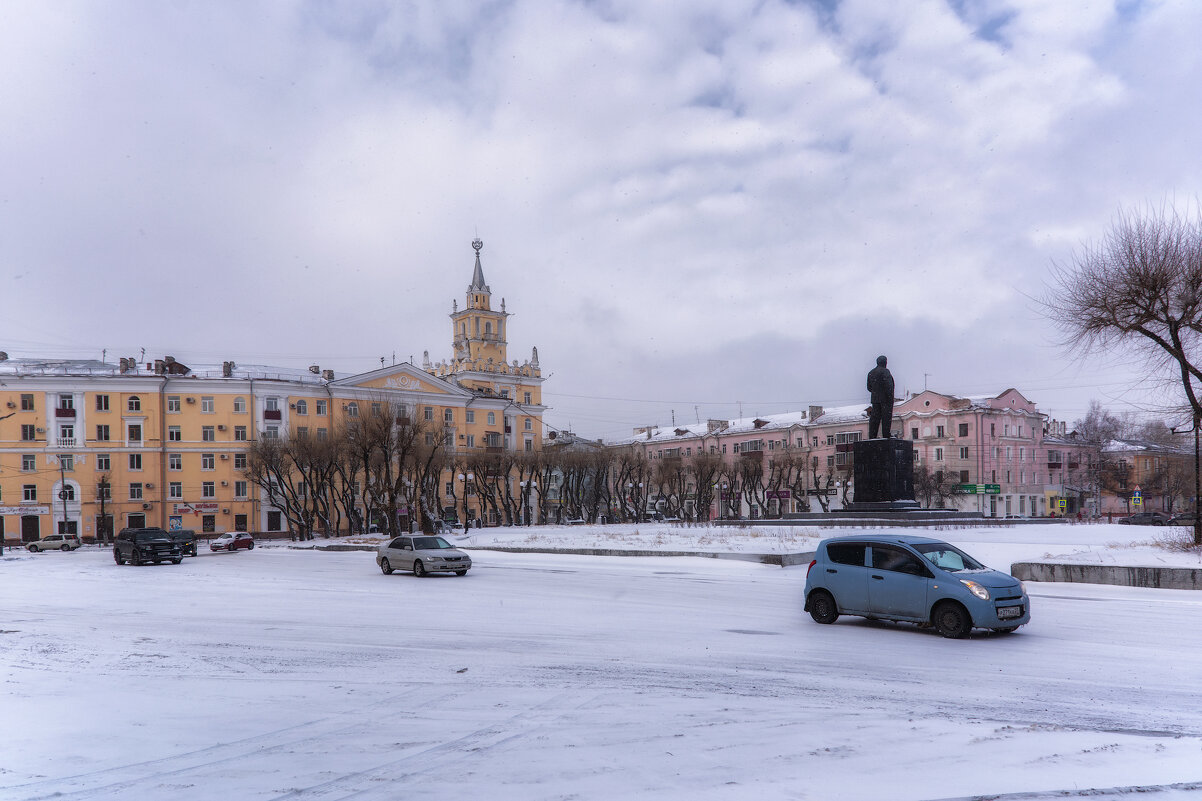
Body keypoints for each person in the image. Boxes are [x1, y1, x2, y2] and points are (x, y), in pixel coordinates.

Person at [867, 355, 895, 439]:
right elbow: (889, 385)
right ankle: (886, 434)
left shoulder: (871, 372)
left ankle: (872, 435)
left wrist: (876, 392)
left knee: (875, 419)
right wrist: (890, 396)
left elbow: (869, 387)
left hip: (875, 400)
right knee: (886, 417)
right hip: (886, 399)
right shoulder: (885, 371)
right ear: (885, 362)